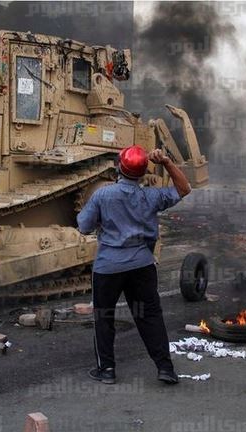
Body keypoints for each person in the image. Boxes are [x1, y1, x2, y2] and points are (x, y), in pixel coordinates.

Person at [77, 145, 192, 385]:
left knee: (104, 316)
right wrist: (168, 163)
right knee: (150, 316)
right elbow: (184, 188)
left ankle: (106, 369)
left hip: (108, 267)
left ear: (119, 167)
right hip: (142, 265)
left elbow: (84, 225)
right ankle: (165, 368)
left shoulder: (103, 195)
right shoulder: (151, 196)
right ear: (142, 172)